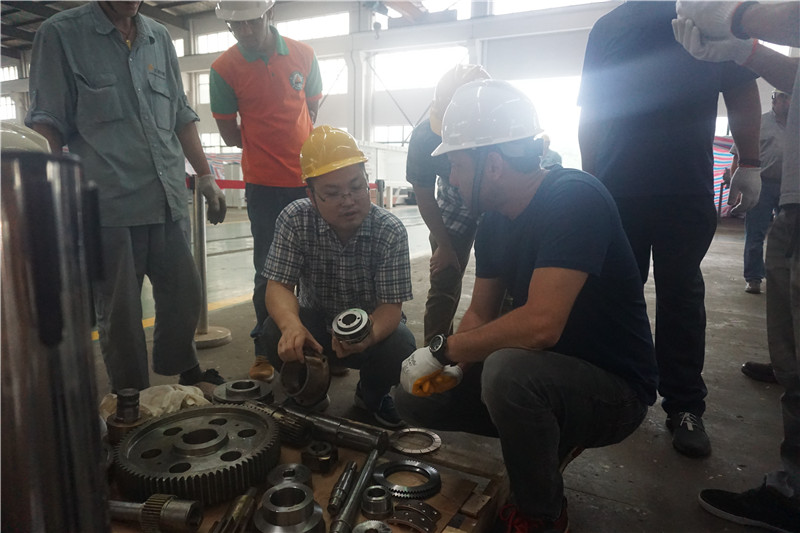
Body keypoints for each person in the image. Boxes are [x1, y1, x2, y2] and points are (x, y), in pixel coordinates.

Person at [396, 80, 658, 533]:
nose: (451, 180)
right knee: (414, 400)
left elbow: (541, 325)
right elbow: (480, 313)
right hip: (544, 373)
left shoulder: (574, 199)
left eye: (456, 166)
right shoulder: (495, 221)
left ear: (494, 165)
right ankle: (543, 433)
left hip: (614, 391)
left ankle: (542, 515)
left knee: (508, 373)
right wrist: (452, 368)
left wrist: (445, 348)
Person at [578, 0, 762, 458]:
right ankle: (618, 392)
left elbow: (740, 86)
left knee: (681, 296)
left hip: (685, 190)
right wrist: (590, 183)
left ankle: (685, 406)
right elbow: (592, 111)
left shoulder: (707, 13)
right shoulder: (609, 27)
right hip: (620, 188)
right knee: (618, 295)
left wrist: (751, 162)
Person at [25, 0, 227, 393]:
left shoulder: (158, 36)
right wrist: (48, 196)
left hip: (167, 198)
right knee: (120, 313)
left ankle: (183, 368)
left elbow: (181, 114)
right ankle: (132, 395)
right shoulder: (61, 35)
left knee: (184, 293)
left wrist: (205, 176)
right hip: (108, 206)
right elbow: (48, 122)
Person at [673, 1, 800, 530]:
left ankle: (792, 493)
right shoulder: (617, 26)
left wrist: (737, 15)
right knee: (793, 360)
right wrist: (746, 50)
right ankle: (793, 488)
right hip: (793, 201)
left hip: (772, 200)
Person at [259, 126, 416, 428]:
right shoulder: (295, 220)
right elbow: (278, 286)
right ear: (311, 195)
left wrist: (368, 336)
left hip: (369, 329)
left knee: (400, 344)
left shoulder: (389, 231)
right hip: (315, 328)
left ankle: (371, 395)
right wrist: (292, 326)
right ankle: (311, 393)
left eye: (356, 187)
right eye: (332, 193)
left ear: (368, 182)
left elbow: (390, 308)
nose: (348, 200)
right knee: (273, 331)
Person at [210, 0, 322, 383]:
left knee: (316, 267)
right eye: (235, 26)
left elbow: (311, 110)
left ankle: (318, 342)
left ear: (269, 14)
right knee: (268, 269)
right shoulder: (223, 69)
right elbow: (229, 133)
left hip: (308, 181)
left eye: (251, 22)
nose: (244, 32)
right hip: (264, 186)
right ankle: (264, 349)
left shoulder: (305, 55)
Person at [406, 64, 489, 345]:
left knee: (506, 278)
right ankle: (436, 353)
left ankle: (497, 350)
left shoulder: (500, 130)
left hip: (495, 200)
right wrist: (444, 246)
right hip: (454, 200)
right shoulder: (424, 137)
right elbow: (424, 195)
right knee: (445, 277)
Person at [732, 88, 790, 296]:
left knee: (790, 234)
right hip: (762, 184)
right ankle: (754, 278)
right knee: (755, 233)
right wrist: (738, 186)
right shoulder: (759, 123)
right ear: (774, 100)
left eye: (790, 97)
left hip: (789, 186)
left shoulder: (797, 124)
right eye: (783, 97)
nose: (787, 102)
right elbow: (738, 155)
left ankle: (785, 277)